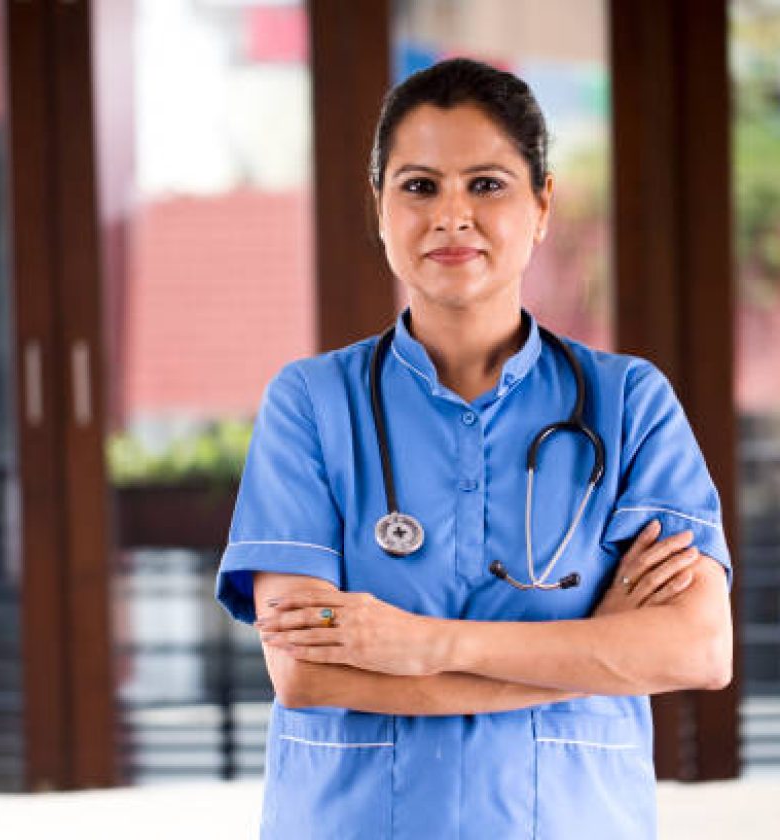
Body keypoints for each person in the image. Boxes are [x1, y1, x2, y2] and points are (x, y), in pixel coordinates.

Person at [214, 57, 733, 839]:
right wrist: (590, 652)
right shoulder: (312, 403)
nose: (451, 215)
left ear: (542, 204)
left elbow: (696, 649)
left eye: (486, 184)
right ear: (380, 208)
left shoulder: (629, 404)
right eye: (419, 186)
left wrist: (421, 646)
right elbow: (305, 669)